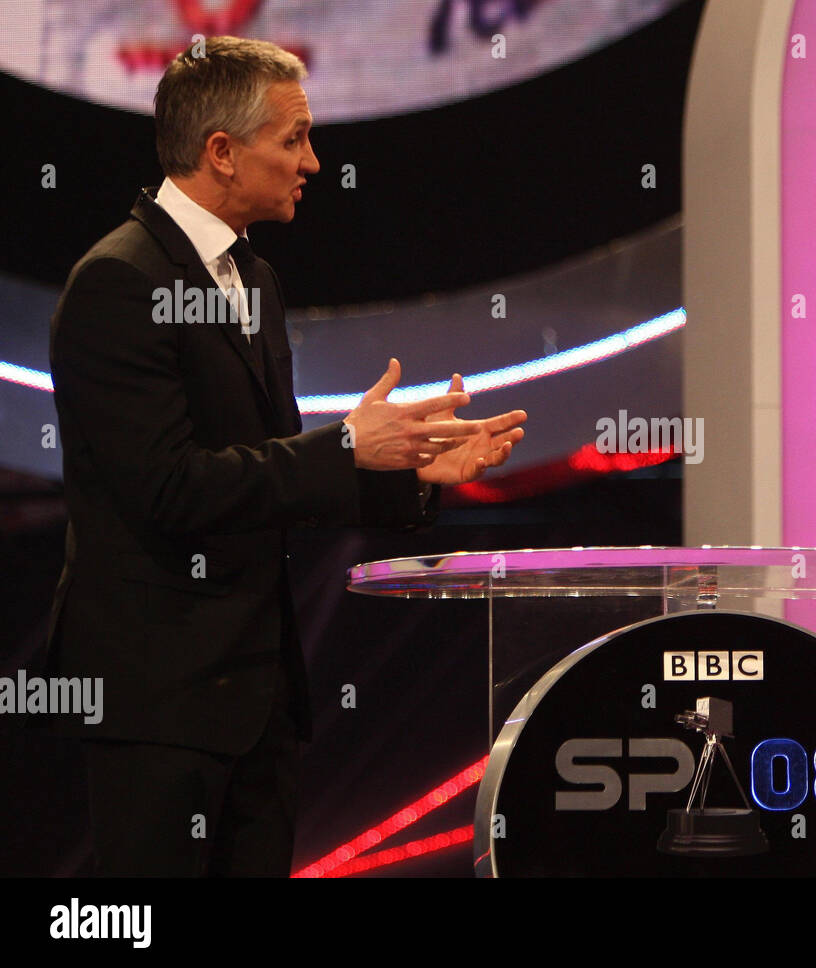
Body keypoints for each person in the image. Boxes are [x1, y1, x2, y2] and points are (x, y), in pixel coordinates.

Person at [40, 36, 527, 876]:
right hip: (163, 705)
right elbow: (169, 489)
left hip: (259, 702)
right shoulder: (116, 282)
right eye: (294, 138)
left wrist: (408, 474)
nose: (314, 160)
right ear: (221, 153)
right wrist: (343, 445)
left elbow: (270, 481)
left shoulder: (253, 279)